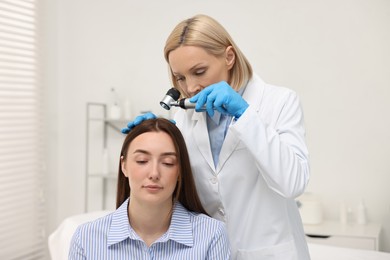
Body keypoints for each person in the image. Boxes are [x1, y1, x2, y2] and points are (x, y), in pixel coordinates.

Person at [123, 14, 310, 260]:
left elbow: (293, 182)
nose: (190, 88)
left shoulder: (280, 102)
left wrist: (244, 114)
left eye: (199, 71)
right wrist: (156, 135)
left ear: (229, 57)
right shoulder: (184, 118)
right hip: (210, 252)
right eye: (180, 77)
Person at [69, 118, 231, 259]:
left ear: (180, 171)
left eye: (167, 163)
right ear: (124, 166)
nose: (154, 173)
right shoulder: (87, 238)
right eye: (142, 160)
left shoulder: (211, 235)